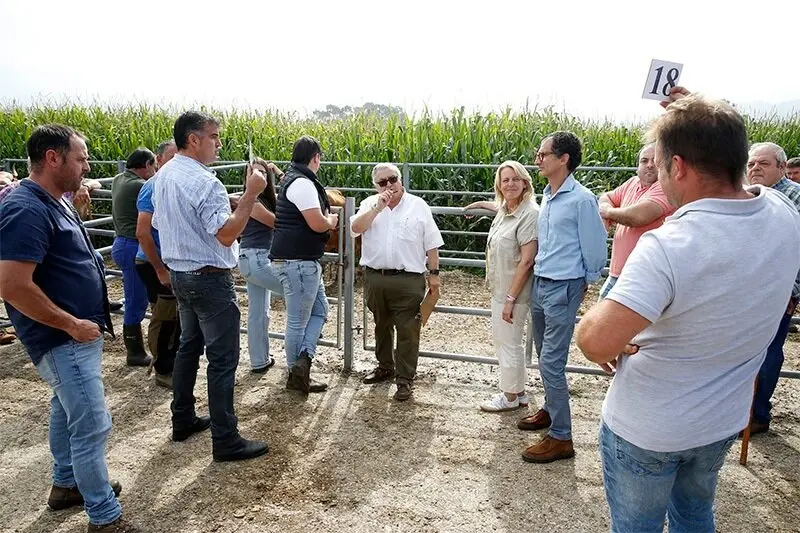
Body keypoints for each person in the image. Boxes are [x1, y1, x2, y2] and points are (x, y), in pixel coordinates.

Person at [576, 91, 800, 533]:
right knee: (695, 514)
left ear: (677, 166)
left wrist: (602, 325)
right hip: (721, 420)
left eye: (659, 167)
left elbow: (594, 341)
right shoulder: (782, 212)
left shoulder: (670, 244)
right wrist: (698, 111)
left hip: (649, 426)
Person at [0, 124, 141, 532]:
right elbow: (10, 284)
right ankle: (104, 514)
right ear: (52, 158)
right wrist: (72, 324)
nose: (87, 166)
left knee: (66, 408)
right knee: (93, 422)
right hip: (61, 336)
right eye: (80, 158)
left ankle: (66, 485)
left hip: (73, 334)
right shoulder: (25, 208)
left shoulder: (52, 200)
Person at [152, 111, 269, 462]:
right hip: (209, 278)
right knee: (222, 359)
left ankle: (183, 418)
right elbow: (227, 234)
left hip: (180, 275)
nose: (218, 143)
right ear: (194, 139)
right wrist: (250, 194)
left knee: (189, 345)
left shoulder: (165, 174)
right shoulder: (206, 182)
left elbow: (162, 221)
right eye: (214, 137)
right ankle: (226, 439)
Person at [518, 131, 608, 464]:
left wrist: (585, 281)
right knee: (545, 354)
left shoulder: (581, 199)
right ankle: (551, 410)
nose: (537, 159)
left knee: (552, 362)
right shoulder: (550, 194)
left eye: (543, 154)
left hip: (563, 285)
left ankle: (562, 437)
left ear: (563, 159)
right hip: (543, 282)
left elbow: (596, 245)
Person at [350, 163, 444, 401]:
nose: (389, 185)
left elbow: (431, 242)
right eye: (382, 182)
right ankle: (384, 367)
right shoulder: (369, 204)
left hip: (408, 279)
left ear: (400, 179)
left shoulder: (418, 206)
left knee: (408, 329)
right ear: (375, 186)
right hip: (375, 277)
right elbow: (355, 228)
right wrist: (377, 208)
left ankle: (404, 378)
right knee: (380, 325)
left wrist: (434, 273)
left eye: (392, 179)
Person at [464, 161, 538, 411]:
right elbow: (498, 205)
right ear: (499, 185)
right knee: (509, 341)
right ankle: (519, 392)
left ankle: (509, 397)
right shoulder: (507, 210)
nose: (510, 184)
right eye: (505, 180)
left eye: (516, 179)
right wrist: (478, 205)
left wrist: (509, 298)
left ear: (525, 182)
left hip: (513, 292)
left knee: (507, 343)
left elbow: (527, 260)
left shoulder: (530, 213)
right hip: (502, 289)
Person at [269, 136, 337, 396]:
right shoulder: (303, 183)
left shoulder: (291, 178)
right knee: (297, 322)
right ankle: (295, 375)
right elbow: (317, 223)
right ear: (316, 157)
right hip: (299, 262)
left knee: (320, 310)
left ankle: (303, 362)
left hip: (300, 260)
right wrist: (330, 221)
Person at [745, 141, 800, 435]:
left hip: (776, 291)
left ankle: (757, 413)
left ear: (781, 167)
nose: (755, 168)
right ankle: (740, 411)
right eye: (751, 163)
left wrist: (791, 292)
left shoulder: (795, 197)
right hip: (744, 290)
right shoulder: (745, 196)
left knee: (768, 350)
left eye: (763, 163)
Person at [597, 144, 675, 299]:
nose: (650, 165)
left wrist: (608, 212)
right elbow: (606, 197)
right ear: (637, 166)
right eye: (644, 161)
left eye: (655, 161)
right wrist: (608, 208)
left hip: (644, 277)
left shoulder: (665, 188)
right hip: (618, 273)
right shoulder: (632, 183)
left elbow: (637, 217)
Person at [134, 140, 179, 388]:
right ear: (158, 161)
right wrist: (160, 269)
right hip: (154, 262)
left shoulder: (173, 184)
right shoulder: (153, 187)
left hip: (166, 262)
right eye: (171, 158)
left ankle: (167, 363)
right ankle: (162, 369)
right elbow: (143, 232)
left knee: (172, 316)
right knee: (164, 317)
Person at [237, 157, 285, 373]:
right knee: (299, 293)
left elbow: (291, 194)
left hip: (254, 259)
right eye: (254, 172)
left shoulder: (263, 199)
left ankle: (259, 361)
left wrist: (279, 172)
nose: (259, 176)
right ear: (247, 177)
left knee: (258, 312)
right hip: (256, 259)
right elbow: (276, 222)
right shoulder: (253, 202)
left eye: (264, 173)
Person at [111, 149, 157, 367]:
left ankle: (135, 347)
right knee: (136, 299)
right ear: (146, 165)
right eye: (154, 166)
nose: (154, 171)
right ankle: (135, 351)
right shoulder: (140, 186)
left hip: (122, 242)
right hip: (132, 245)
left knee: (135, 295)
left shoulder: (119, 179)